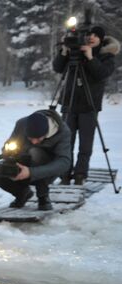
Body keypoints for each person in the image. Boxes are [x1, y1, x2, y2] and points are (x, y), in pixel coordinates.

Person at [52, 26, 119, 185]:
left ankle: (81, 174)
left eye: (96, 35)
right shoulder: (74, 52)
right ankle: (65, 174)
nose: (92, 37)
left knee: (85, 143)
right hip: (70, 102)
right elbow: (58, 68)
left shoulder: (106, 56)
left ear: (101, 39)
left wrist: (90, 57)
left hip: (90, 105)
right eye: (90, 34)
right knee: (66, 141)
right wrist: (64, 52)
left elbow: (102, 74)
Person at [0, 110, 71, 211]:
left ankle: (43, 196)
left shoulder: (62, 131)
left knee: (36, 152)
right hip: (23, 162)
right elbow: (9, 145)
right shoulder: (21, 124)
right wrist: (7, 153)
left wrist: (30, 172)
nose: (34, 142)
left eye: (38, 138)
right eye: (31, 138)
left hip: (46, 170)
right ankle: (22, 193)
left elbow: (64, 162)